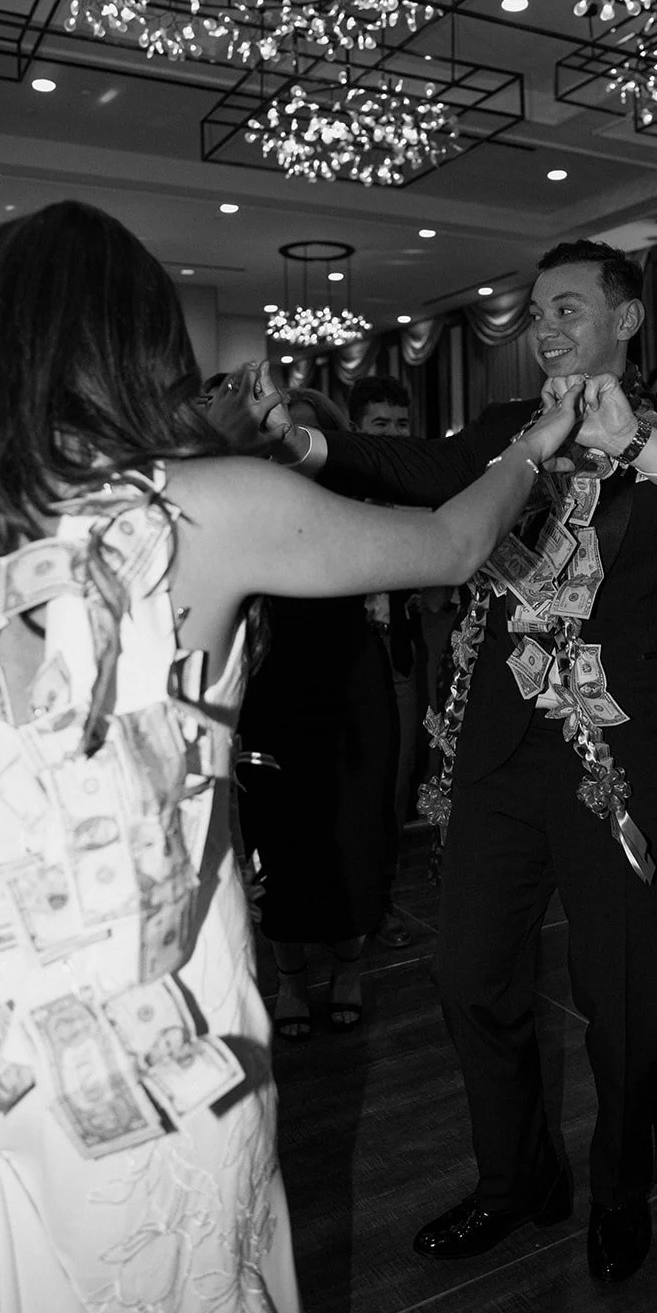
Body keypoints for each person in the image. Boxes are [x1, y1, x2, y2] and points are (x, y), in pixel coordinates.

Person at [0, 200, 585, 1313]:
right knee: (175, 1285)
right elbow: (453, 543)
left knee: (6, 1268)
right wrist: (532, 444)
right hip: (144, 966)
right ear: (140, 340)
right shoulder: (201, 507)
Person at [217, 238, 657, 1286]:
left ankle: (617, 1189)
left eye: (567, 308)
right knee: (468, 976)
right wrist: (297, 439)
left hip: (623, 761)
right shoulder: (508, 430)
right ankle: (514, 1177)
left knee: (625, 1000)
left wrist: (641, 446)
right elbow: (407, 469)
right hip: (502, 751)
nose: (544, 328)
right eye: (535, 313)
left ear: (625, 319)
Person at [238, 386, 400, 1036]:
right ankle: (289, 978)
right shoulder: (245, 506)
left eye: (301, 436)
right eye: (277, 436)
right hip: (272, 683)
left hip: (352, 681)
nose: (289, 448)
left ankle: (349, 969)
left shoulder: (358, 504)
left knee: (353, 831)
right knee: (279, 832)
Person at [347, 375, 426, 948]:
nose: (394, 434)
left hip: (397, 654)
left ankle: (382, 900)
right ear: (356, 428)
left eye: (401, 423)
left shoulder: (420, 485)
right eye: (381, 423)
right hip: (341, 658)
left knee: (395, 786)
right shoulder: (333, 485)